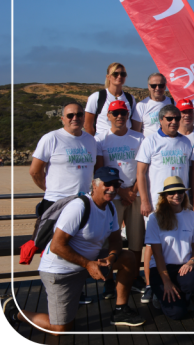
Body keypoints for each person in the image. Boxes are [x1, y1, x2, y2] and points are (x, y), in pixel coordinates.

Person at [4, 168, 145, 333]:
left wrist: (112, 257)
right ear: (94, 184)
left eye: (116, 184)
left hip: (88, 264)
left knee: (127, 257)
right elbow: (57, 246)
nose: (112, 189)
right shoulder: (79, 207)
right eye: (107, 184)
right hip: (60, 271)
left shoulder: (110, 208)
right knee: (60, 328)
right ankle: (14, 313)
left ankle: (121, 311)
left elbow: (115, 240)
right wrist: (88, 264)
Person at [136, 104, 194, 304]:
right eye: (169, 118)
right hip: (156, 203)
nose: (173, 122)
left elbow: (192, 173)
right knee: (152, 245)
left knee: (176, 240)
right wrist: (144, 200)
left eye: (176, 118)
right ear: (161, 120)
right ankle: (150, 285)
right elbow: (141, 173)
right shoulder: (150, 141)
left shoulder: (186, 142)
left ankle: (176, 281)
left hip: (180, 201)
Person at [94, 100, 145, 294]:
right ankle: (108, 279)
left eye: (123, 113)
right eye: (115, 113)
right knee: (110, 239)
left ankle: (133, 276)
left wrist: (132, 192)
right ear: (108, 116)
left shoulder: (139, 138)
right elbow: (100, 170)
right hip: (112, 196)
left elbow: (143, 168)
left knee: (136, 239)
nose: (119, 116)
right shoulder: (101, 139)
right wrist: (121, 191)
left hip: (136, 194)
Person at [144, 176, 194, 319]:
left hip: (184, 267)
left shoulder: (191, 216)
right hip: (161, 269)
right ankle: (159, 294)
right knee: (176, 314)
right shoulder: (154, 218)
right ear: (164, 196)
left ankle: (184, 296)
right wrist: (166, 281)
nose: (177, 195)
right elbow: (157, 254)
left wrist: (191, 261)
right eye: (171, 192)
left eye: (180, 191)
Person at [30, 101, 97, 221]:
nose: (75, 118)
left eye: (79, 114)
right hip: (56, 202)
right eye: (70, 115)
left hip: (83, 202)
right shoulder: (51, 138)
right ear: (63, 119)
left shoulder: (91, 140)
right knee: (54, 239)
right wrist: (50, 189)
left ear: (84, 117)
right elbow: (35, 171)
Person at [84, 62, 140, 135]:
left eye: (122, 74)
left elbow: (133, 123)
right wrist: (92, 143)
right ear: (108, 77)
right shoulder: (97, 97)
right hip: (103, 141)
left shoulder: (130, 98)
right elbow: (88, 125)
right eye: (115, 74)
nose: (119, 76)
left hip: (125, 140)